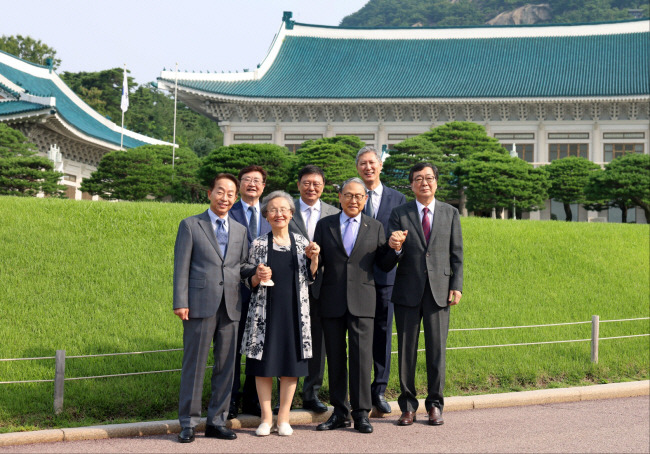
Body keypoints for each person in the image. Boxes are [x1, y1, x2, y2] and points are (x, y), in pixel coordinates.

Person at [173, 173, 256, 443]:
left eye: (231, 193)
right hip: (199, 304)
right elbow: (181, 267)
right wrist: (181, 301)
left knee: (226, 366)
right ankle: (188, 423)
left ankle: (217, 421)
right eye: (221, 192)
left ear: (236, 197)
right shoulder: (190, 225)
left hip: (231, 305)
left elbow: (241, 266)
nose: (226, 198)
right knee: (194, 364)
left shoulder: (241, 230)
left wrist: (258, 271)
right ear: (210, 193)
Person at [313, 178, 400, 434]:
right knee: (336, 359)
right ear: (339, 197)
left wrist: (394, 250)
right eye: (348, 195)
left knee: (362, 358)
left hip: (363, 301)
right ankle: (339, 411)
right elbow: (319, 262)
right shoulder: (324, 225)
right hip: (331, 301)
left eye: (358, 196)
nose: (353, 200)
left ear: (365, 199)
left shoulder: (375, 227)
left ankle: (361, 413)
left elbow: (383, 264)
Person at [387, 163, 463, 427]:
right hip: (407, 291)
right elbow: (390, 253)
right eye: (418, 179)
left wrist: (457, 285)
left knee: (436, 351)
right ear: (411, 184)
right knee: (406, 351)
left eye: (429, 178)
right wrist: (394, 246)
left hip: (440, 292)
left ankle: (435, 405)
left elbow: (457, 254)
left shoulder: (450, 213)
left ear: (436, 182)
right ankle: (407, 407)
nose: (424, 183)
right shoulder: (400, 213)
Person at [240, 191, 320, 437]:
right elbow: (248, 279)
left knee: (290, 367)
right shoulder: (259, 244)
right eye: (273, 210)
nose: (279, 214)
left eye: (284, 209)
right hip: (265, 313)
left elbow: (311, 276)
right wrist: (256, 276)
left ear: (291, 214)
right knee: (263, 366)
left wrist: (314, 258)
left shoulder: (301, 243)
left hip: (295, 314)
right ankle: (266, 418)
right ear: (266, 215)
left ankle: (284, 418)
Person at [356, 145, 406, 414]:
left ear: (380, 166)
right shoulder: (351, 195)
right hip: (356, 278)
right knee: (358, 334)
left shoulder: (397, 198)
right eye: (363, 163)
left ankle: (379, 389)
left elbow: (402, 235)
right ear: (358, 168)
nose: (368, 167)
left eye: (372, 163)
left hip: (387, 276)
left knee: (384, 334)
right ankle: (360, 390)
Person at [288, 165, 340, 414]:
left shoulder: (334, 212)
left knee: (318, 341)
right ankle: (285, 395)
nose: (311, 188)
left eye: (316, 183)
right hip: (290, 283)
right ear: (298, 185)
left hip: (323, 285)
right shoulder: (286, 209)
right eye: (306, 183)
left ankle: (311, 393)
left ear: (323, 186)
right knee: (288, 338)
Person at [228, 165, 272, 418]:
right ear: (239, 185)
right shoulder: (228, 212)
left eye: (257, 180)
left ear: (264, 186)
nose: (252, 184)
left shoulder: (271, 213)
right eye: (247, 180)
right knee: (231, 348)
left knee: (260, 346)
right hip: (234, 290)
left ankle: (253, 399)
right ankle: (230, 399)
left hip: (264, 291)